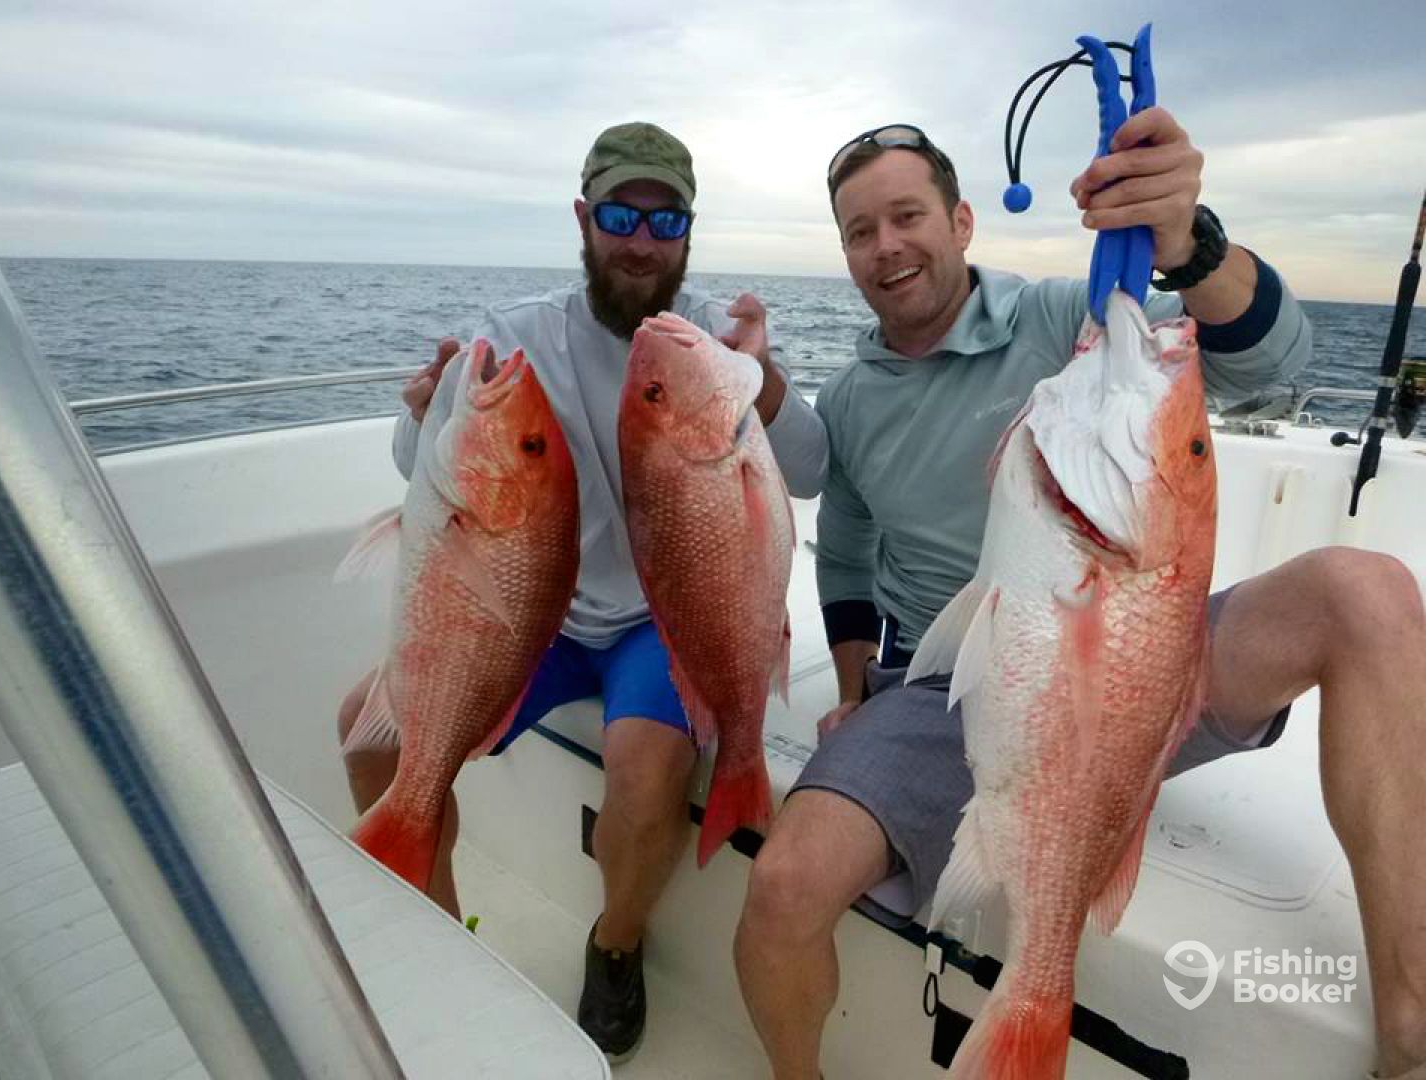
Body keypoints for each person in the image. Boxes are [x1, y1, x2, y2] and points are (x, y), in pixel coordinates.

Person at [732, 112, 1426, 1080]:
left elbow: (1274, 369)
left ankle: (1412, 1031)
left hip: (1140, 655)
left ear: (961, 221)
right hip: (947, 691)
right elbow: (845, 553)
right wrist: (853, 689)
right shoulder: (850, 397)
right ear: (845, 254)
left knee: (1366, 589)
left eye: (908, 215)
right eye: (860, 230)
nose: (886, 245)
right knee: (782, 885)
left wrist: (1188, 243)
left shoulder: (1069, 320)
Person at [337, 121, 828, 1060]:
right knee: (370, 730)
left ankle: (616, 944)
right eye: (618, 215)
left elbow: (807, 470)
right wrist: (421, 415)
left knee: (645, 763)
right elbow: (421, 468)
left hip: (660, 617)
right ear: (582, 218)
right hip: (534, 609)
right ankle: (444, 941)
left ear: (688, 232)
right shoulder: (514, 335)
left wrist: (764, 380)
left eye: (665, 220)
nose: (641, 240)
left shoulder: (714, 343)